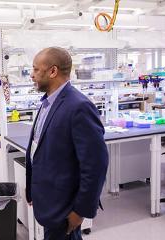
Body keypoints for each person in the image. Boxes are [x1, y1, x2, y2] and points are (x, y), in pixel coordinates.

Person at [25, 47, 108, 240]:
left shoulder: (79, 107)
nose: (32, 75)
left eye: (36, 70)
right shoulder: (47, 103)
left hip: (64, 208)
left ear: (53, 71)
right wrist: (33, 189)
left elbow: (96, 166)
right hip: (48, 200)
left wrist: (80, 212)